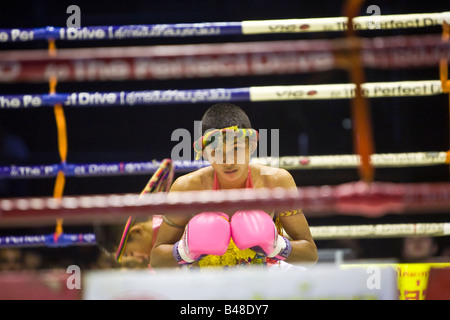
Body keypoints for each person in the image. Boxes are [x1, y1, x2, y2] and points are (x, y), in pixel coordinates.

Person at [149, 103, 318, 268]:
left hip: (259, 287)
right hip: (206, 287)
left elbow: (310, 255)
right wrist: (184, 251)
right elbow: (157, 259)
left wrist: (277, 247)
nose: (228, 161)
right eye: (216, 152)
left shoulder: (276, 182)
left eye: (235, 149)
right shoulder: (187, 188)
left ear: (251, 147)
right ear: (206, 154)